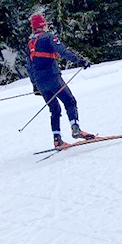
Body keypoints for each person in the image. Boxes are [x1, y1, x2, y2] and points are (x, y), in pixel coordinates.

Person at [26, 13, 94, 147]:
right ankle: (76, 129)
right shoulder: (49, 37)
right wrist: (80, 61)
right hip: (53, 77)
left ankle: (57, 139)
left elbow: (29, 66)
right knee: (70, 101)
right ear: (43, 25)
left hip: (40, 82)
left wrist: (35, 86)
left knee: (54, 109)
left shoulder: (30, 44)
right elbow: (62, 51)